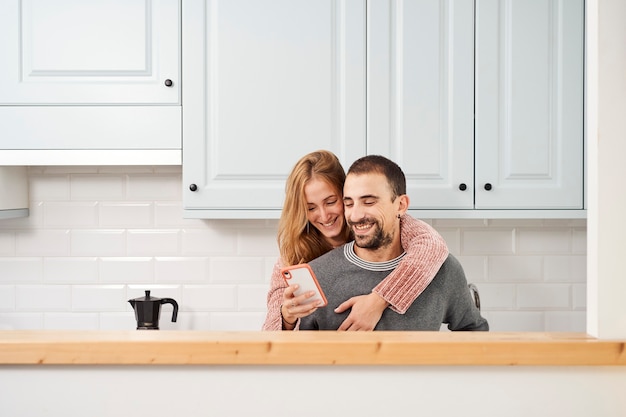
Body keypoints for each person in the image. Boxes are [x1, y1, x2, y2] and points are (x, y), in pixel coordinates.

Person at [262, 150, 449, 331]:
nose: (324, 215)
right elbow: (269, 337)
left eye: (330, 202)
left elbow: (432, 246)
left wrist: (378, 301)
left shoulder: (377, 227)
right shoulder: (293, 256)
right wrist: (287, 318)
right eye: (311, 208)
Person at [298, 155, 488, 331]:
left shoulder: (443, 270)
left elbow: (474, 331)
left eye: (369, 202)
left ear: (401, 205)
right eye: (349, 204)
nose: (355, 215)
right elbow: (294, 352)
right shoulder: (318, 275)